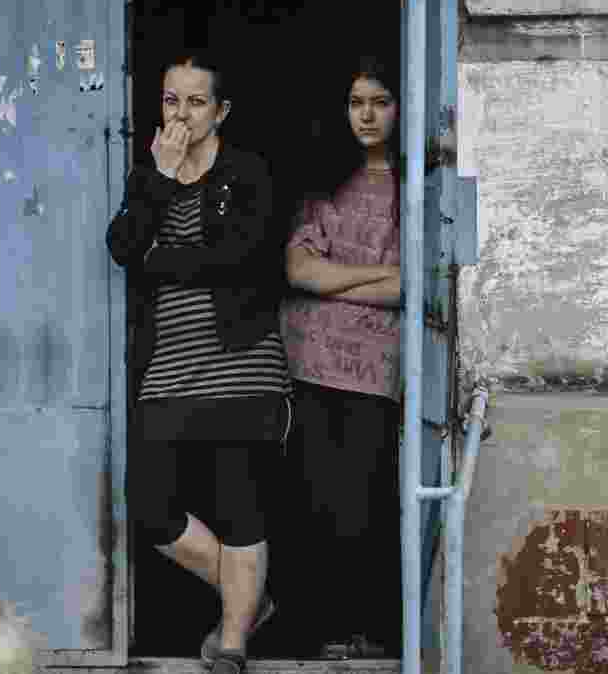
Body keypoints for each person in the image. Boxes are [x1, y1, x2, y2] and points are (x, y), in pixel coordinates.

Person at [105, 49, 291, 674]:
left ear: (222, 109)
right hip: (168, 368)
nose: (181, 113)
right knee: (151, 506)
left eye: (196, 101)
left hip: (241, 362)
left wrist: (160, 257)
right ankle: (252, 599)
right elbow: (123, 246)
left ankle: (232, 644)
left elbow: (241, 257)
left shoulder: (248, 173)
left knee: (240, 506)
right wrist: (158, 181)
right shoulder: (148, 174)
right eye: (170, 100)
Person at [279, 53, 403, 659]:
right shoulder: (323, 179)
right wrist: (378, 273)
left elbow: (412, 287)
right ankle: (320, 631)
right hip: (309, 365)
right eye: (357, 103)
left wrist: (337, 276)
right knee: (314, 505)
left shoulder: (415, 187)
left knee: (364, 508)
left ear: (400, 108)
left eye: (380, 101)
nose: (368, 114)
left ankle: (365, 631)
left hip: (374, 372)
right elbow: (298, 270)